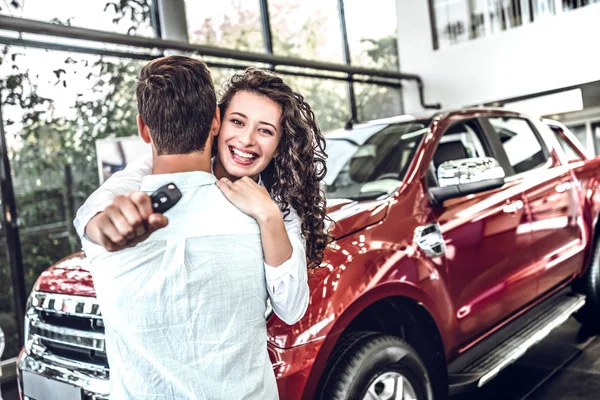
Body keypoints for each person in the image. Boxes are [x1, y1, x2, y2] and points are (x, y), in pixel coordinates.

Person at [74, 66, 330, 324]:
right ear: (216, 123)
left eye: (265, 131)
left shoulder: (279, 206)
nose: (246, 139)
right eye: (238, 122)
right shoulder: (164, 169)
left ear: (277, 148)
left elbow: (291, 308)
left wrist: (269, 217)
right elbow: (93, 209)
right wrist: (103, 225)